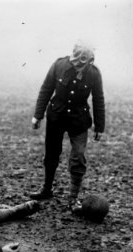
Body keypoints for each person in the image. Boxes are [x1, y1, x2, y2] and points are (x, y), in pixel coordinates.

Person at [30, 40, 105, 215]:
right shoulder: (58, 65)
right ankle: (46, 189)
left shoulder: (94, 74)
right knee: (51, 153)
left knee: (78, 156)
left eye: (83, 61)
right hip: (56, 116)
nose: (78, 64)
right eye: (76, 60)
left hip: (79, 120)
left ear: (89, 60)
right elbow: (46, 89)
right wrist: (37, 115)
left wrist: (99, 126)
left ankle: (73, 198)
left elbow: (98, 99)